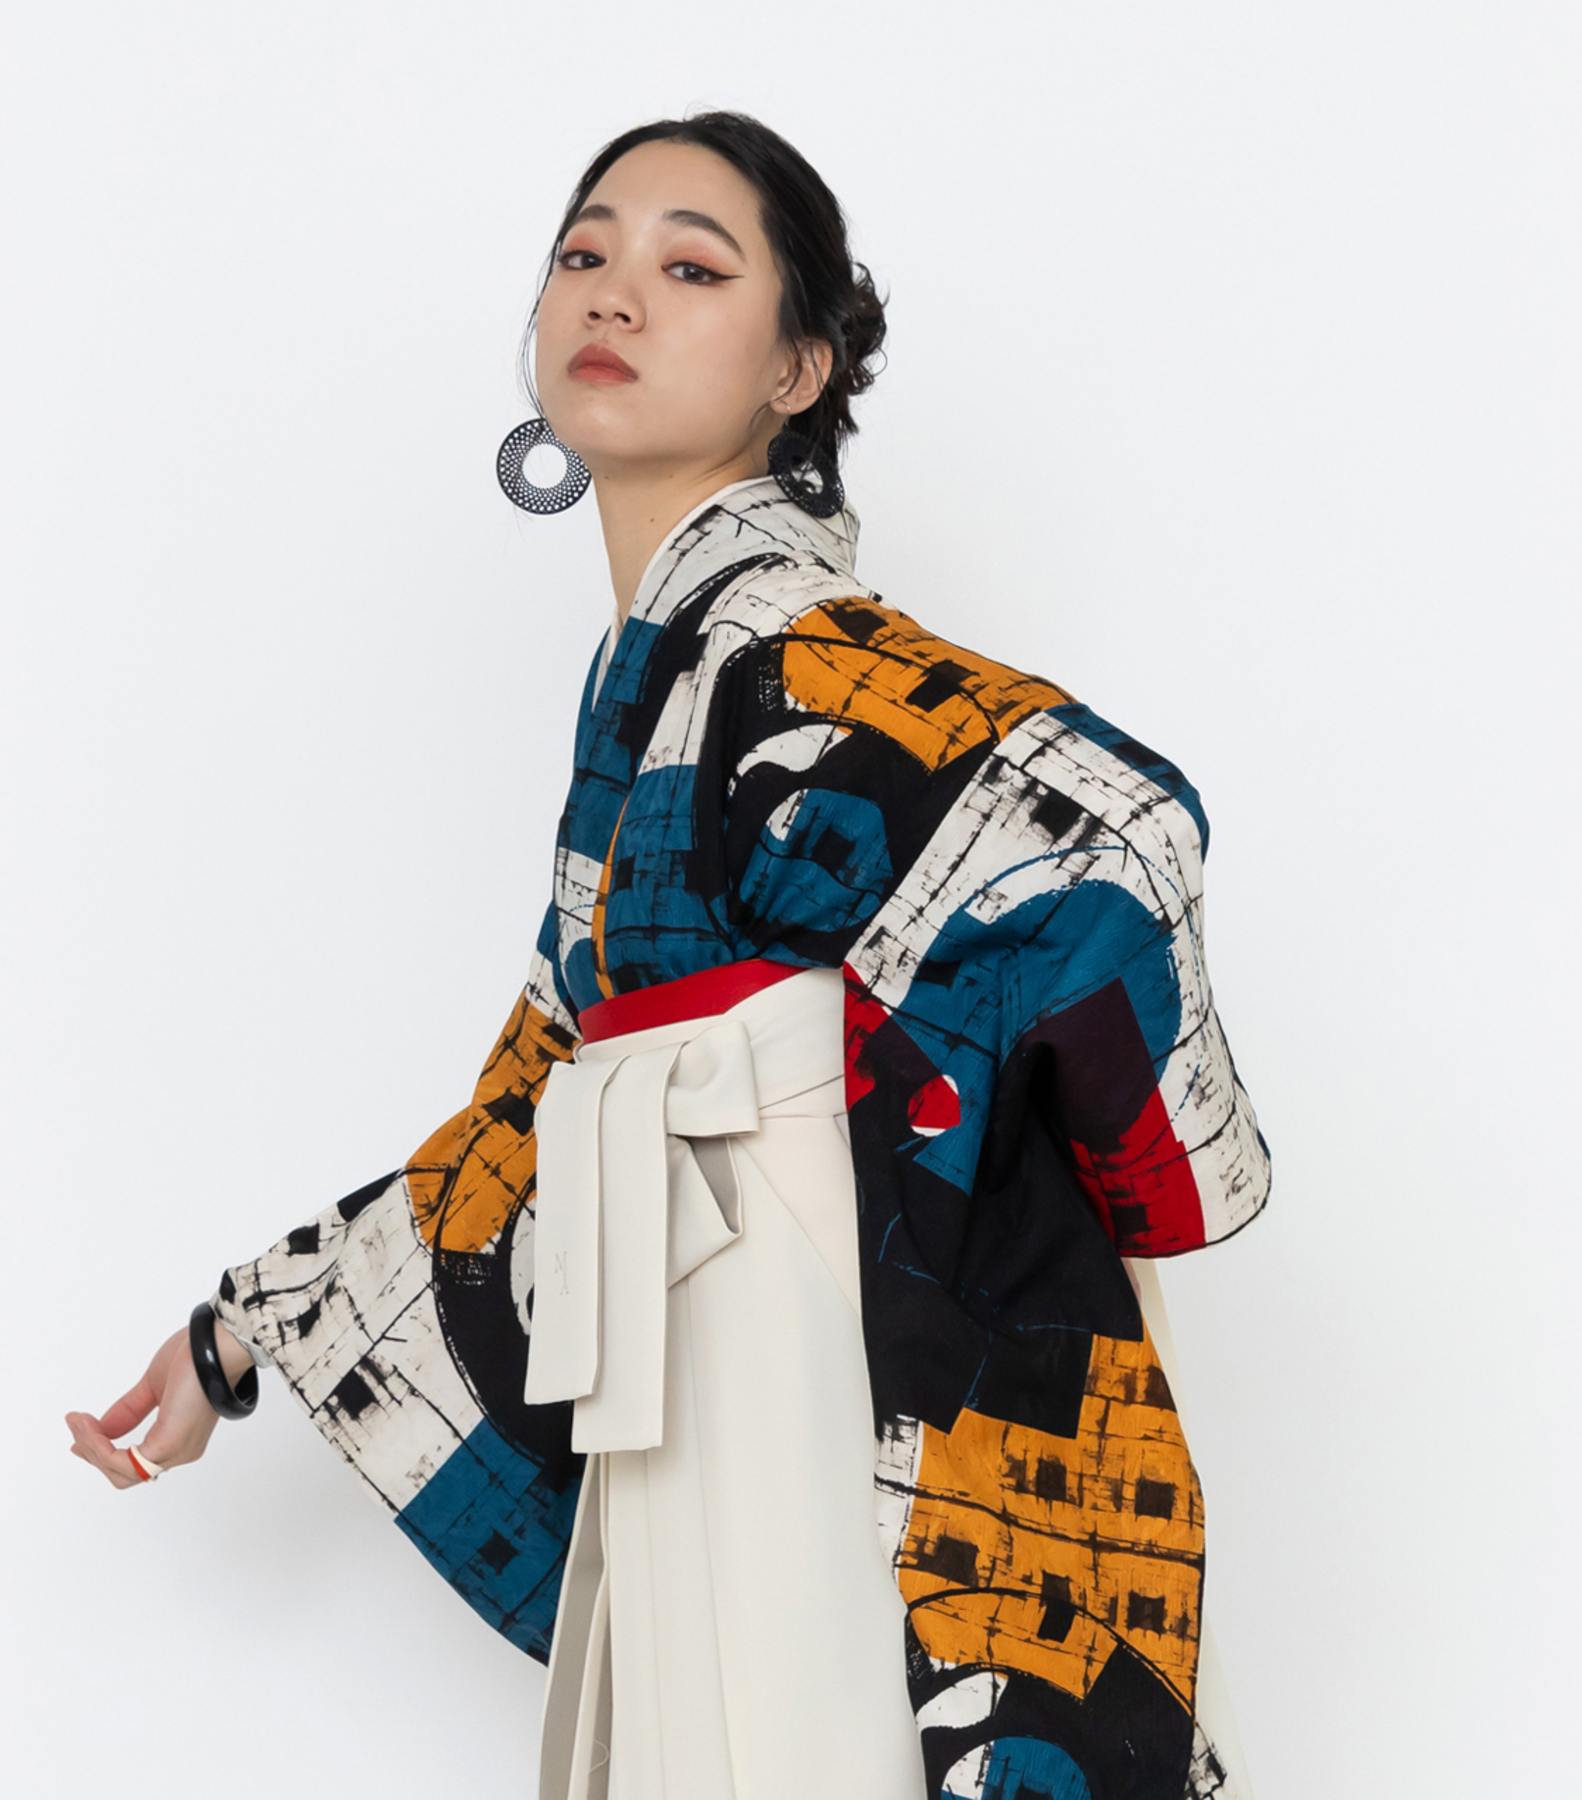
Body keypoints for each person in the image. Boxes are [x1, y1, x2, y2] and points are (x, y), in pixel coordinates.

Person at [66, 111, 1268, 1800]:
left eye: (692, 268)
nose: (615, 292)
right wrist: (235, 1339)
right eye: (586, 253)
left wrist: (1068, 1176)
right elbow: (535, 1097)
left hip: (798, 1301)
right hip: (694, 1322)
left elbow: (1115, 836)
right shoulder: (662, 673)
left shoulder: (790, 639)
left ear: (798, 368)